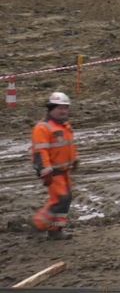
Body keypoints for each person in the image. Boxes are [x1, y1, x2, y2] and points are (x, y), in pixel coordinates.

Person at [31, 91, 78, 240]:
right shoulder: (43, 128)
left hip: (64, 170)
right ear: (51, 109)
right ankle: (39, 224)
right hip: (53, 171)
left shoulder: (64, 126)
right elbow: (40, 151)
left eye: (66, 107)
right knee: (60, 199)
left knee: (66, 198)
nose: (64, 111)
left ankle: (56, 230)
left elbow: (69, 146)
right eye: (60, 108)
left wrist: (74, 160)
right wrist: (44, 169)